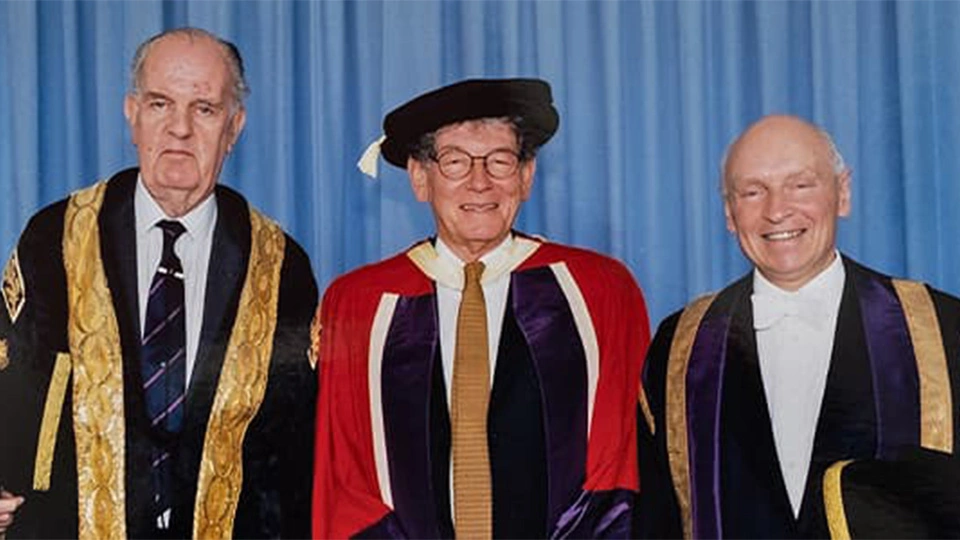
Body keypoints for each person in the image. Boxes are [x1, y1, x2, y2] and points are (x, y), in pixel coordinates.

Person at [0, 27, 317, 538]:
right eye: (160, 104)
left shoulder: (281, 268)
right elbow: (9, 375)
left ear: (234, 127)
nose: (180, 129)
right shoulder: (55, 239)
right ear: (132, 114)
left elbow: (302, 438)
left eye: (205, 109)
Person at [311, 78, 651, 538]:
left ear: (527, 176)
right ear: (418, 177)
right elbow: (345, 482)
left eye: (501, 160)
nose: (480, 181)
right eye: (454, 161)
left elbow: (620, 467)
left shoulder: (599, 292)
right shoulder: (359, 306)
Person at [635, 114, 960, 538]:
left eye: (800, 185)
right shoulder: (680, 347)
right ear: (729, 213)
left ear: (843, 193)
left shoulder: (941, 330)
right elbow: (654, 522)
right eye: (752, 192)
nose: (777, 210)